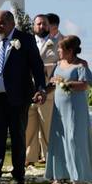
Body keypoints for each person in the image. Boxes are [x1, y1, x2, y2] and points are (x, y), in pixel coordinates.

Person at [0, 10, 46, 184]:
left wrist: (40, 88)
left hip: (18, 98)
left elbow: (37, 66)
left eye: (2, 22)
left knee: (18, 138)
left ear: (12, 23)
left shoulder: (25, 39)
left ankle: (18, 174)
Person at [44, 36, 92, 184]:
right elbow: (53, 85)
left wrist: (66, 83)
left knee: (74, 138)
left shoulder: (81, 64)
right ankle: (60, 175)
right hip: (59, 108)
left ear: (70, 50)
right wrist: (42, 93)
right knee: (59, 139)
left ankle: (79, 176)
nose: (58, 51)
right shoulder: (58, 64)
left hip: (75, 108)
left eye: (60, 48)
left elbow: (85, 84)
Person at [25, 13, 59, 165]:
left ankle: (50, 161)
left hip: (48, 94)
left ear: (49, 26)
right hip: (28, 93)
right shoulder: (26, 42)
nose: (41, 26)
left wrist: (49, 88)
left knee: (48, 130)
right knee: (28, 129)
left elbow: (60, 68)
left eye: (44, 24)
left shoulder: (57, 44)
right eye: (38, 24)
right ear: (34, 26)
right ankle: (28, 160)